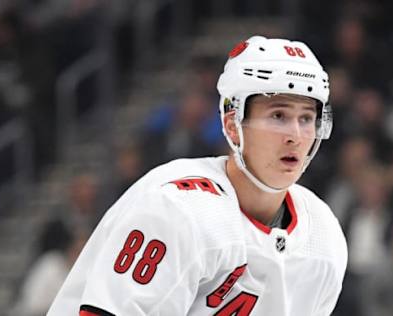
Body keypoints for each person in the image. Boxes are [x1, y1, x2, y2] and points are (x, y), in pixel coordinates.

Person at [47, 35, 348, 316]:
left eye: (307, 118)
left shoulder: (323, 235)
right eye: (278, 115)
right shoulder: (176, 208)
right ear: (233, 125)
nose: (295, 135)